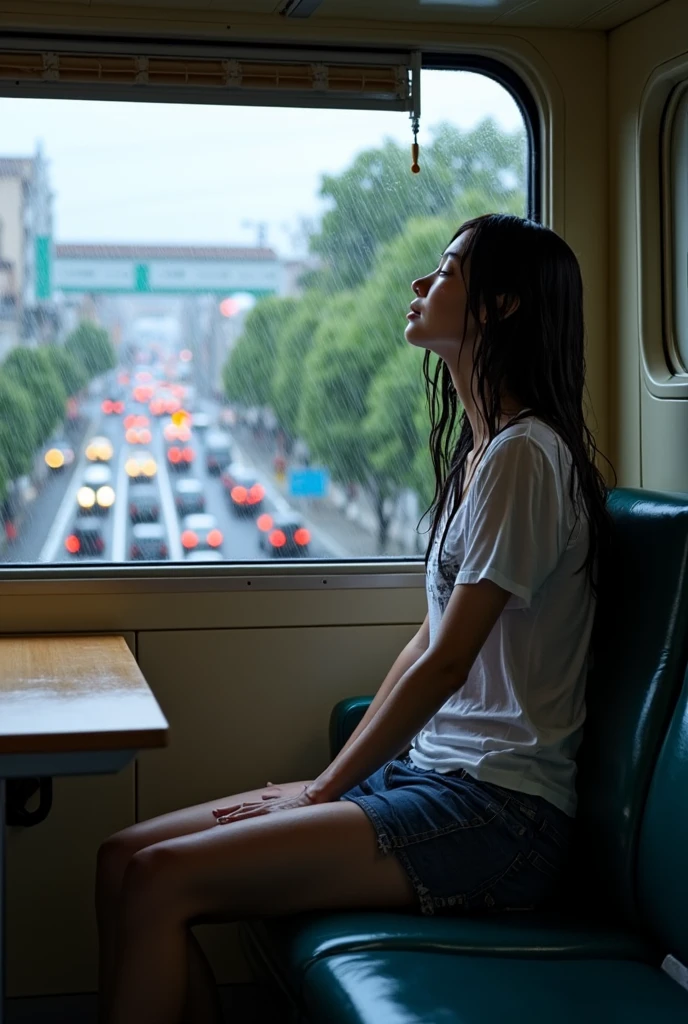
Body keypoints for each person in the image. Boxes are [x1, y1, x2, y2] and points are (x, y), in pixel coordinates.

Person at [95, 213, 616, 1024]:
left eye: (445, 272)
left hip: (500, 812)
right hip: (434, 780)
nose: (420, 285)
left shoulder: (526, 455)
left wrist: (324, 789)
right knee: (123, 858)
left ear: (502, 305)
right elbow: (426, 643)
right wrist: (333, 782)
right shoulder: (482, 455)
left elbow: (449, 665)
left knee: (161, 881)